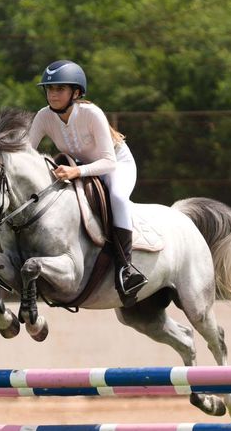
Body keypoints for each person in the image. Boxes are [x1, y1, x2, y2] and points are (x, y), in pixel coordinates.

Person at [28, 59, 148, 297]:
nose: (53, 94)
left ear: (76, 92)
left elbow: (108, 162)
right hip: (80, 167)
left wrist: (76, 172)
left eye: (59, 89)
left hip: (116, 165)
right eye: (50, 89)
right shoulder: (43, 116)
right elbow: (27, 152)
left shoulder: (91, 113)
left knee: (117, 198)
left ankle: (126, 269)